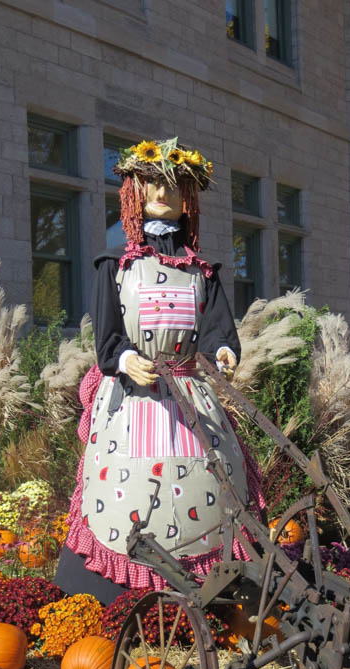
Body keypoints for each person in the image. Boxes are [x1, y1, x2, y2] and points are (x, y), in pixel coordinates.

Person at [54, 138, 261, 603]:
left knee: (210, 486)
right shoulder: (117, 267)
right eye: (153, 183)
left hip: (190, 400)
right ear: (136, 190)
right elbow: (107, 338)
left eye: (173, 185)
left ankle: (214, 595)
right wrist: (126, 360)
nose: (163, 194)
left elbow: (217, 330)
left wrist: (224, 351)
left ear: (187, 196)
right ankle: (117, 600)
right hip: (132, 400)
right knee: (126, 495)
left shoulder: (202, 273)